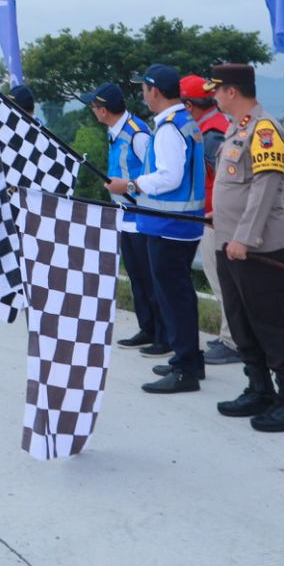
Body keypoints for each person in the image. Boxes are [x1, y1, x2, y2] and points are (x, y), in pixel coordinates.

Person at [203, 63, 284, 432]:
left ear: (231, 91)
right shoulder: (238, 127)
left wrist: (245, 237)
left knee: (269, 322)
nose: (214, 97)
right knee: (240, 319)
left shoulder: (265, 129)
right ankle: (259, 388)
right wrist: (218, 217)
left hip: (256, 247)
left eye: (216, 90)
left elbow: (265, 186)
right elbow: (236, 186)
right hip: (229, 242)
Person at [106, 64, 206, 395]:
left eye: (144, 90)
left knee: (173, 296)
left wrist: (130, 184)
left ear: (155, 91)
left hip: (168, 226)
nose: (143, 96)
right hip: (178, 224)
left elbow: (169, 177)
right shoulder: (183, 122)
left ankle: (186, 367)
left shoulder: (167, 129)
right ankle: (186, 358)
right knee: (179, 295)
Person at [78, 82, 162, 354]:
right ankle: (147, 328)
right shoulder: (115, 132)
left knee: (150, 279)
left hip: (141, 215)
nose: (93, 110)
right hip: (123, 215)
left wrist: (125, 186)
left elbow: (154, 175)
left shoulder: (137, 134)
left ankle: (163, 335)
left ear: (103, 110)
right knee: (137, 277)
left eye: (94, 106)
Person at [180, 73, 239, 366]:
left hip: (217, 218)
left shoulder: (210, 134)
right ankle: (229, 335)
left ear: (189, 105)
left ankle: (234, 341)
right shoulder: (215, 127)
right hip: (217, 216)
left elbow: (227, 180)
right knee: (222, 281)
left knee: (221, 282)